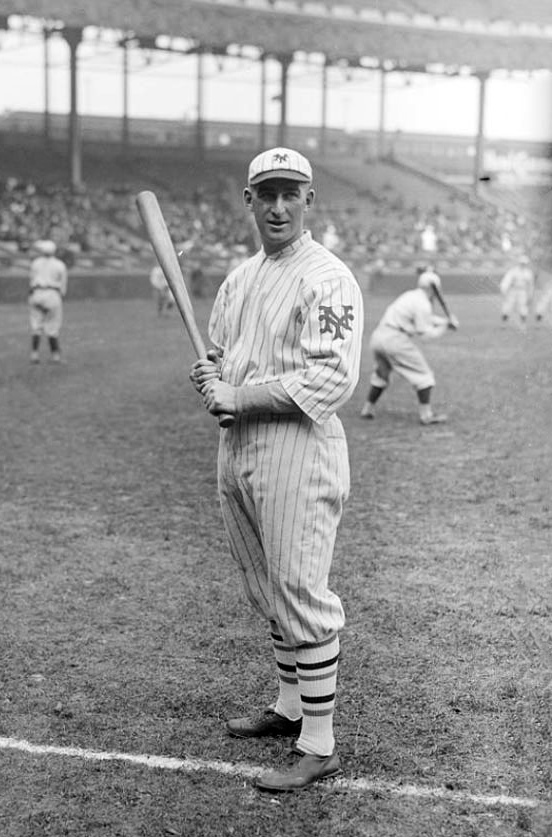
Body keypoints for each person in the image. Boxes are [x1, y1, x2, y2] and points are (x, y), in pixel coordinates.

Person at [189, 147, 364, 793]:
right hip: (240, 447)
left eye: (292, 193)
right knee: (264, 582)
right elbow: (221, 354)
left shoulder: (329, 277)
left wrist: (241, 394)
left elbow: (333, 376)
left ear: (310, 199)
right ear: (250, 200)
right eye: (268, 194)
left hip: (300, 444)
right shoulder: (240, 278)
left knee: (299, 589)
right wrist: (211, 374)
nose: (280, 205)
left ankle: (318, 744)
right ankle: (290, 705)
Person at [360, 266, 458, 425]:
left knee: (381, 375)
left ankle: (367, 408)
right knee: (425, 377)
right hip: (395, 340)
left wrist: (445, 321)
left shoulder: (410, 295)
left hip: (378, 337)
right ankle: (426, 416)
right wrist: (446, 327)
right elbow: (425, 334)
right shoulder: (423, 304)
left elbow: (427, 318)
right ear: (434, 288)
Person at [28, 239, 68, 363]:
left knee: (36, 326)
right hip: (52, 294)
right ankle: (55, 355)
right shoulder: (59, 264)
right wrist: (61, 295)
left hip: (37, 293)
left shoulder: (35, 263)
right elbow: (63, 285)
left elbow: (31, 280)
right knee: (52, 327)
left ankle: (34, 354)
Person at [499, 253, 534, 329]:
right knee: (507, 307)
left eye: (525, 263)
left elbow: (530, 285)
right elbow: (506, 281)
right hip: (513, 291)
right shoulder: (513, 271)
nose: (523, 264)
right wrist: (504, 290)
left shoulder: (528, 273)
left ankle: (523, 324)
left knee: (523, 307)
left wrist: (530, 295)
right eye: (522, 263)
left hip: (523, 292)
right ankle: (504, 323)